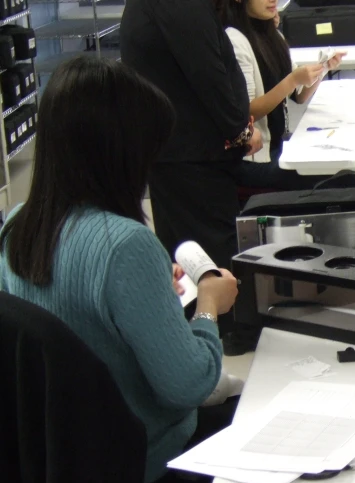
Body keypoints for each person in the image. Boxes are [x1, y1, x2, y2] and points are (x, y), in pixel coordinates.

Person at [0, 57, 239, 483]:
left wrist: (149, 295)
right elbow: (189, 385)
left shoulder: (15, 227)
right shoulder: (124, 244)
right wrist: (208, 303)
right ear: (119, 154)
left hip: (63, 466)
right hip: (145, 468)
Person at [120, 0, 262, 355]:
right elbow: (208, 73)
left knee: (190, 248)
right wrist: (240, 131)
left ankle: (207, 338)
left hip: (183, 151)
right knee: (204, 253)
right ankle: (215, 340)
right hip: (189, 156)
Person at [218, 0, 346, 190]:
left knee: (338, 159)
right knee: (337, 174)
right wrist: (293, 80)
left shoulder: (273, 34)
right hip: (254, 159)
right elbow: (248, 112)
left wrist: (324, 67)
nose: (273, 1)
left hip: (279, 145)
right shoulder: (235, 39)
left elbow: (299, 96)